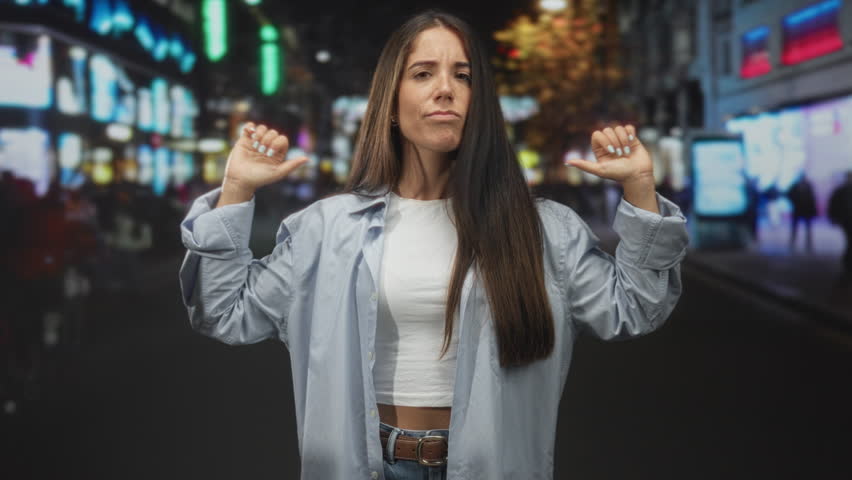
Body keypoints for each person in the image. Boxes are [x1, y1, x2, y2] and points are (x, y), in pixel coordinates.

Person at [178, 10, 688, 480]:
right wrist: (237, 190)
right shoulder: (327, 229)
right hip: (367, 466)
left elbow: (635, 307)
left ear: (480, 103)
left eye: (462, 76)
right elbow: (225, 312)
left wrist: (640, 186)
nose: (445, 89)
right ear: (392, 105)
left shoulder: (541, 230)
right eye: (423, 73)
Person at [829, 171, 852, 275]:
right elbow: (833, 205)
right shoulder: (841, 191)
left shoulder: (840, 190)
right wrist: (833, 218)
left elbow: (833, 204)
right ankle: (848, 264)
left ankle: (847, 264)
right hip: (846, 220)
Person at [787, 173, 818, 252]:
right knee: (795, 226)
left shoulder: (808, 186)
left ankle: (808, 242)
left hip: (806, 209)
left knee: (807, 227)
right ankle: (793, 241)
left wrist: (813, 209)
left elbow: (812, 198)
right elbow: (788, 194)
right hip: (798, 209)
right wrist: (794, 201)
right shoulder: (795, 186)